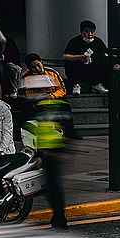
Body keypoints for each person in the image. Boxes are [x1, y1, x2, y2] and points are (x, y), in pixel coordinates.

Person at [23, 97, 72, 229]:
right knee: (50, 187)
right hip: (46, 152)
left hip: (54, 153)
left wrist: (62, 150)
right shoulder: (42, 107)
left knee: (53, 188)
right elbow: (41, 132)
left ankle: (60, 219)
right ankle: (58, 218)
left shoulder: (57, 107)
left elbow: (68, 130)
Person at [62, 22, 110, 96]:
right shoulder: (74, 41)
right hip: (79, 69)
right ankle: (76, 85)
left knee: (106, 62)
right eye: (87, 31)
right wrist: (78, 57)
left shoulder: (98, 42)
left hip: (93, 69)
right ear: (82, 32)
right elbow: (64, 56)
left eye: (92, 31)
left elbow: (107, 53)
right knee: (69, 63)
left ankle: (97, 85)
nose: (90, 34)